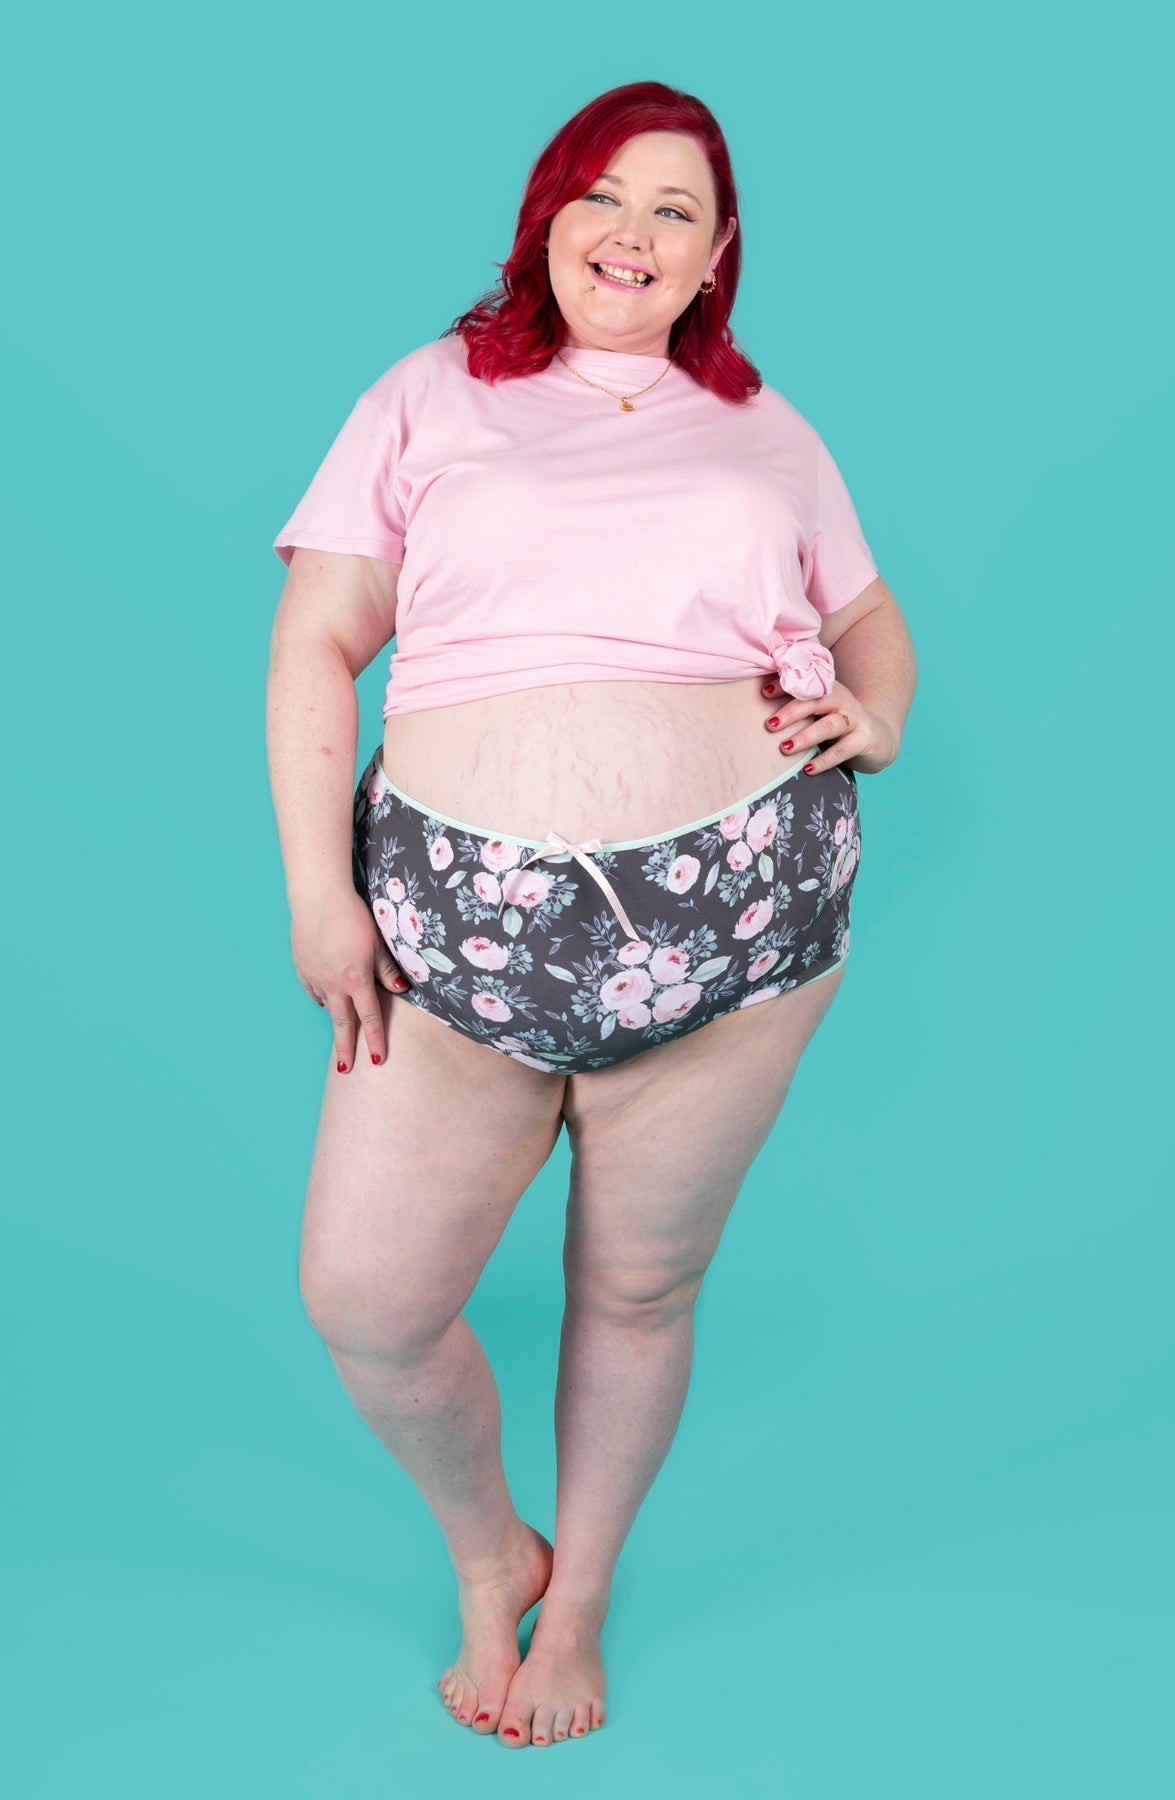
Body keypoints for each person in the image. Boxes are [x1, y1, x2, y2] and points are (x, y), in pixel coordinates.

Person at [266, 79, 917, 1750]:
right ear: (548, 218)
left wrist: (880, 715)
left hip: (741, 939)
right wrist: (320, 899)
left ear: (717, 254)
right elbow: (317, 642)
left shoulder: (770, 429)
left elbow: (869, 622)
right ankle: (494, 1551)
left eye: (675, 210)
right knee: (367, 1303)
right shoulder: (429, 394)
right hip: (451, 941)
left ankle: (580, 1605)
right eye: (602, 196)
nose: (632, 234)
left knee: (638, 1291)